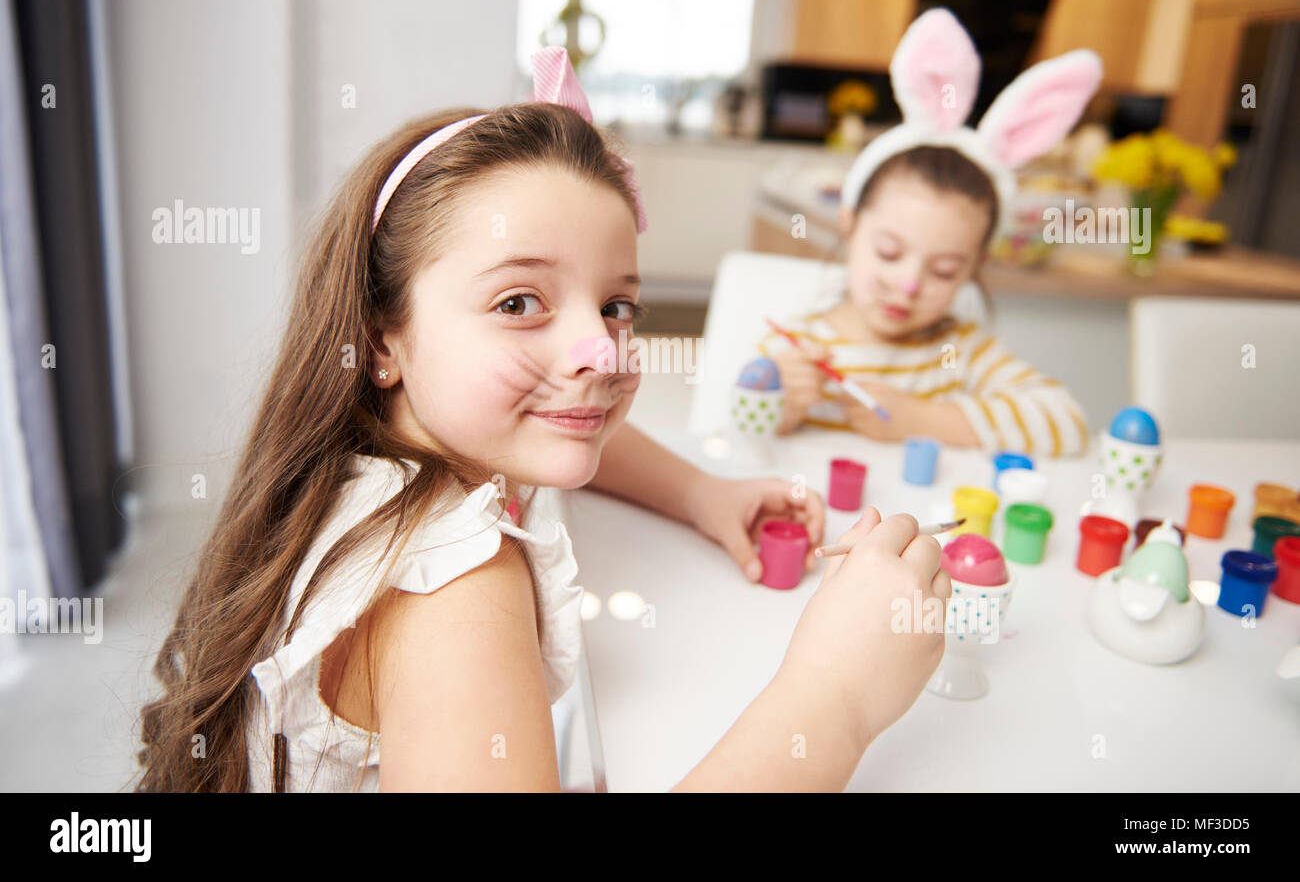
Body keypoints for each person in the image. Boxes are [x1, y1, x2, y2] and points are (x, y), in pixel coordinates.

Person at [135, 48, 946, 792]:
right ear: (384, 337)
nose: (599, 348)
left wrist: (700, 492)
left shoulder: (408, 444)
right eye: (519, 302)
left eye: (616, 303)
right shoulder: (455, 590)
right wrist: (835, 696)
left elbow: (561, 420)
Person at [760, 9, 1101, 458]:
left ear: (975, 266)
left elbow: (1068, 425)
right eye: (888, 252)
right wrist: (778, 404)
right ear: (849, 223)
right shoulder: (797, 343)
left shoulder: (961, 352)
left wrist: (919, 420)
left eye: (943, 270)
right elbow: (739, 438)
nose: (909, 285)